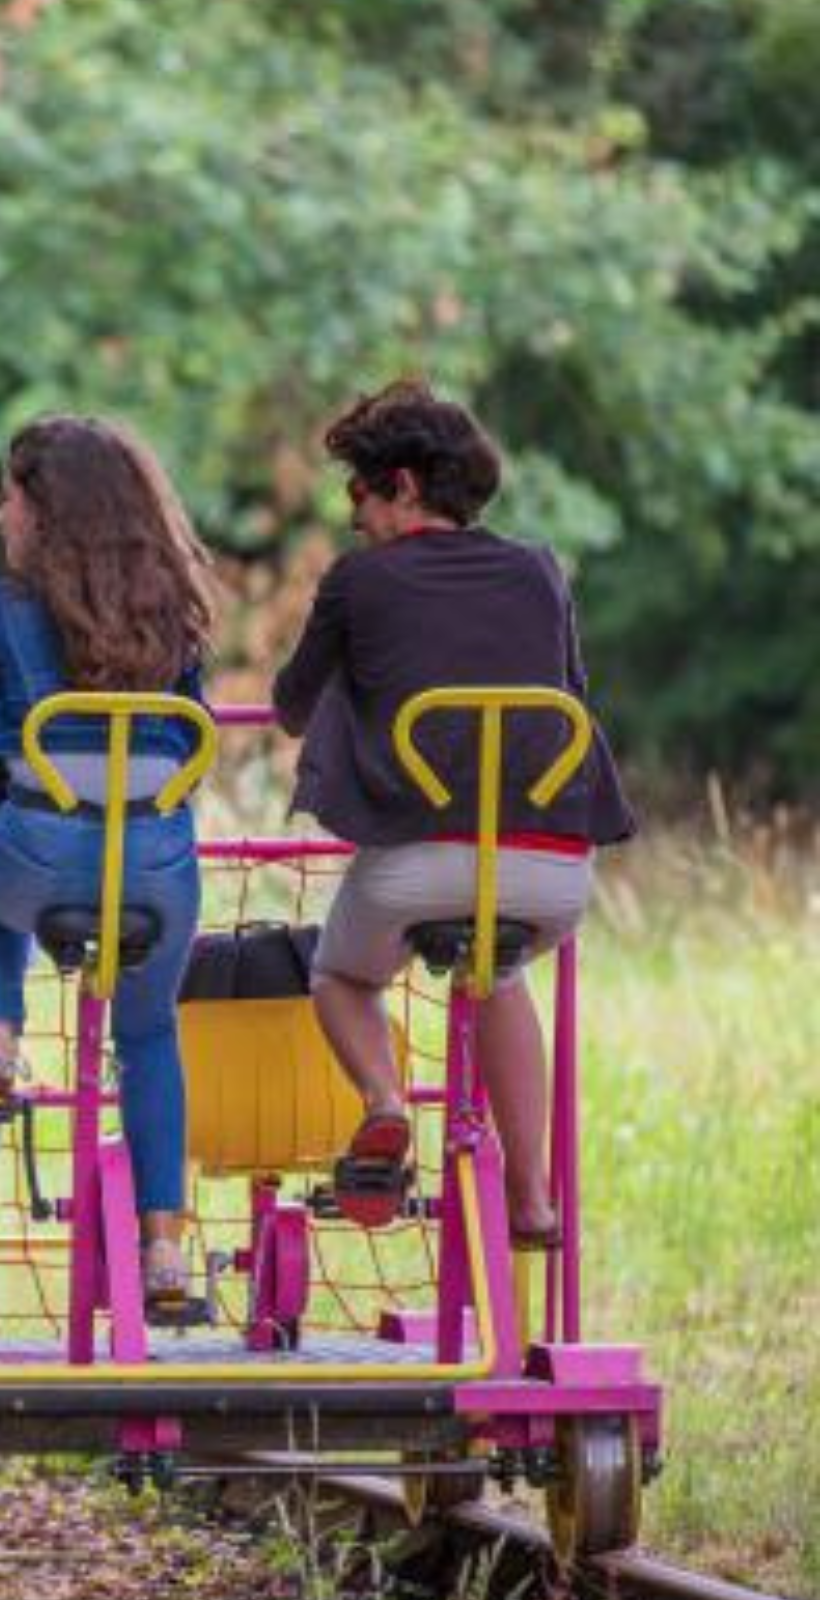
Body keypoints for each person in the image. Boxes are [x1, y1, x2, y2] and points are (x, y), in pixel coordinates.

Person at [271, 380, 636, 1248]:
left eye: (357, 493)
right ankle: (533, 1197)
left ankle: (386, 1101)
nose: (353, 516)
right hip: (553, 866)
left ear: (400, 486)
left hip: (421, 858)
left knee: (341, 977)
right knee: (498, 971)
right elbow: (565, 695)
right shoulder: (542, 569)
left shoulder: (358, 582)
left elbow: (290, 705)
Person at [0, 415, 218, 1322]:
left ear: (44, 510)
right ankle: (164, 1250)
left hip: (40, 839)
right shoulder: (175, 607)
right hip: (159, 854)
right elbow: (191, 723)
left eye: (8, 496)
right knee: (151, 1035)